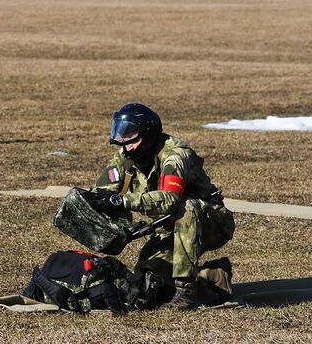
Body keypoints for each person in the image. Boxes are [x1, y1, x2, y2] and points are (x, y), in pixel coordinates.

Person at [93, 103, 235, 310]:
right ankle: (212, 277)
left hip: (210, 221)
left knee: (187, 208)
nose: (126, 145)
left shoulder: (175, 155)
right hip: (169, 226)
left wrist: (125, 201)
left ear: (148, 134)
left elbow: (170, 200)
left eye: (132, 137)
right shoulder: (126, 156)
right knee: (149, 282)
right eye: (122, 137)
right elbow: (103, 192)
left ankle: (186, 290)